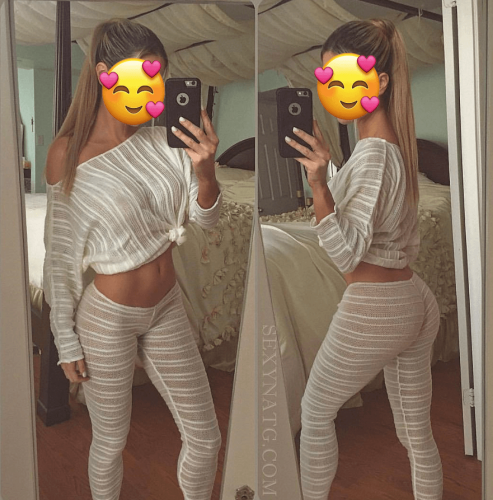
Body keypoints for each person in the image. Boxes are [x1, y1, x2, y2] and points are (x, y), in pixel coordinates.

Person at [43, 18, 222, 500]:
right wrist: (65, 339)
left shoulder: (166, 142)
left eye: (159, 79)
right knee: (110, 441)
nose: (153, 91)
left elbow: (205, 221)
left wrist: (205, 172)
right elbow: (60, 257)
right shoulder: (68, 154)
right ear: (105, 74)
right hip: (108, 319)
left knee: (206, 438)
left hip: (167, 307)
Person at [285, 19, 443, 500]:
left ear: (382, 81)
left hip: (377, 306)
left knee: (315, 413)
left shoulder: (374, 153)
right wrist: (329, 170)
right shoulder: (390, 149)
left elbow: (346, 251)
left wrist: (318, 185)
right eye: (330, 80)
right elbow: (365, 213)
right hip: (412, 297)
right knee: (415, 432)